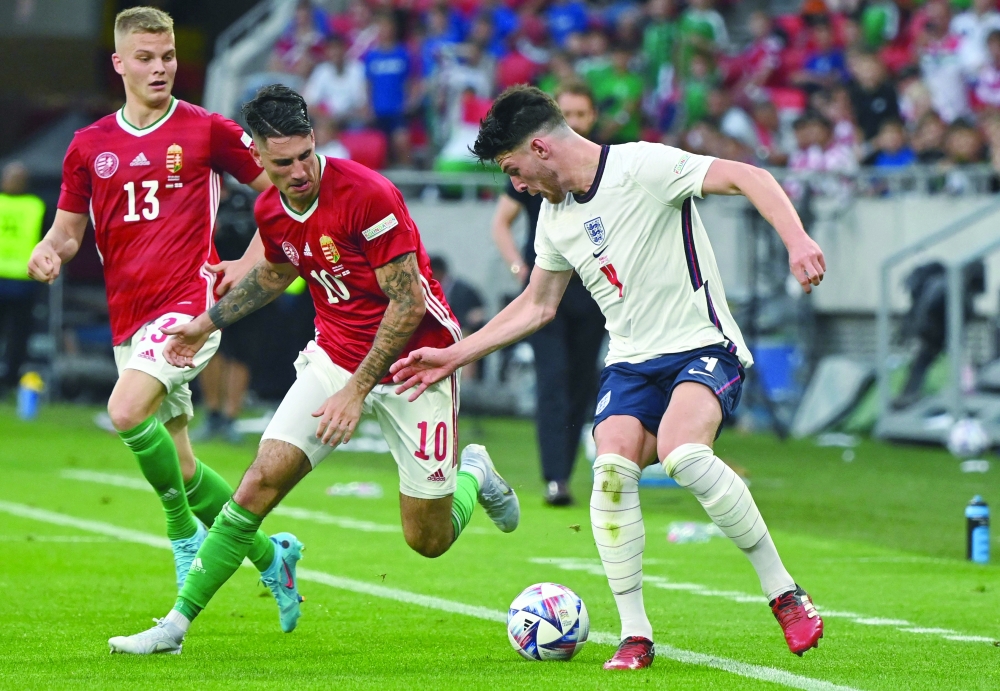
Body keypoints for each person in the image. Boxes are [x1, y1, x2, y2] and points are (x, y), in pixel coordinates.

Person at [391, 85, 827, 670]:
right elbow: (537, 305)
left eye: (514, 168)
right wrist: (455, 354)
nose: (516, 184)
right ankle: (636, 634)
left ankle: (784, 594)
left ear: (541, 149)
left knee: (682, 454)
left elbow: (750, 176)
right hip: (630, 361)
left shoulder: (642, 165)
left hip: (703, 346)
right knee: (613, 468)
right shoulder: (552, 218)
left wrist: (797, 240)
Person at [107, 85, 519, 655]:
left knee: (428, 539)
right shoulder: (269, 209)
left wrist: (356, 391)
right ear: (256, 157)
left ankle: (474, 473)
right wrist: (207, 322)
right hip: (333, 356)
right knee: (258, 483)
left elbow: (408, 304)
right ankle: (174, 628)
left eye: (306, 154)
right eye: (283, 162)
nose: (299, 171)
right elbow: (275, 274)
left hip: (412, 365)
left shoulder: (368, 194)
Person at [24, 7, 294, 621]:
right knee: (185, 465)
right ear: (119, 63)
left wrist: (249, 260)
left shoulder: (206, 130)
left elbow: (278, 191)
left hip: (190, 304)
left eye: (168, 57)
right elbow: (67, 234)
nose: (160, 68)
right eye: (146, 58)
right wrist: (48, 249)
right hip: (129, 318)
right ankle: (270, 555)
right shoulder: (89, 146)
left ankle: (180, 535)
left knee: (122, 411)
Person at [491, 81, 605, 506]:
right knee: (552, 380)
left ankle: (569, 472)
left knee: (581, 382)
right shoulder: (533, 163)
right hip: (543, 288)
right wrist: (520, 267)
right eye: (568, 114)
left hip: (591, 290)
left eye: (581, 114)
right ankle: (555, 477)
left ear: (591, 118)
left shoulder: (602, 162)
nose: (574, 121)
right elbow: (501, 221)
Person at [0, 162, 45, 393]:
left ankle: (9, 382)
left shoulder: (35, 206)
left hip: (22, 282)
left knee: (18, 338)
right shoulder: (34, 205)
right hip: (11, 280)